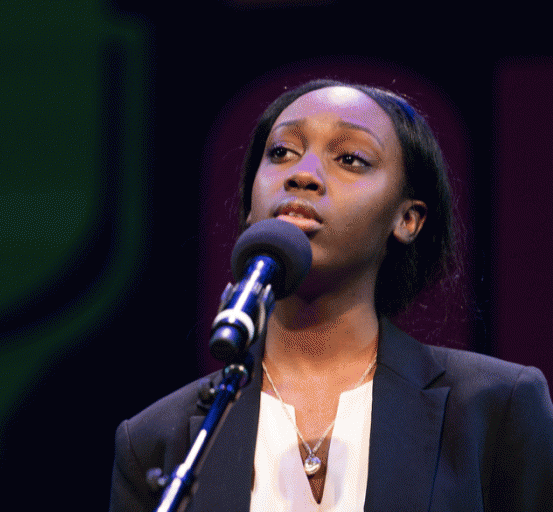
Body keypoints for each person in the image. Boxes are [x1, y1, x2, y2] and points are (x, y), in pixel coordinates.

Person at [109, 79, 553, 511]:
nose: (302, 175)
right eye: (281, 152)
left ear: (407, 220)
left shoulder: (495, 408)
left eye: (351, 159)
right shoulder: (157, 440)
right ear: (249, 208)